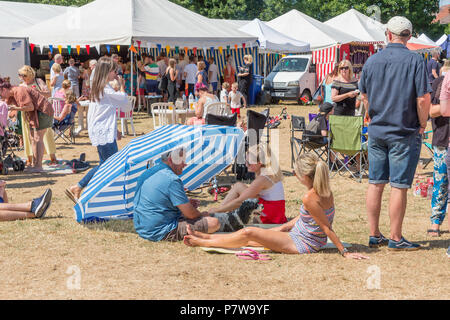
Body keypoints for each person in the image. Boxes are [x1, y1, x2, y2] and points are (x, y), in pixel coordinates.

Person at [184, 152, 369, 260]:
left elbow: (326, 227)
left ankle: (201, 240)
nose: (296, 176)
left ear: (306, 176)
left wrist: (344, 252)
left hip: (302, 243)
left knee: (249, 232)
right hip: (301, 237)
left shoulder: (309, 197)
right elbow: (309, 217)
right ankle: (205, 238)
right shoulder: (325, 191)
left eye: (297, 174)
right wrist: (282, 228)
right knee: (250, 240)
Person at [359, 16, 431, 250]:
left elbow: (364, 96)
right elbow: (422, 99)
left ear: (388, 35)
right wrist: (423, 123)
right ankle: (396, 237)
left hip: (378, 130)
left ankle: (374, 234)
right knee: (399, 185)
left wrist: (371, 116)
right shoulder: (415, 60)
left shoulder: (372, 61)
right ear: (409, 36)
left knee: (375, 183)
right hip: (404, 131)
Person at [65, 57, 131, 203]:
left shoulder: (100, 87)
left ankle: (81, 187)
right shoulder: (105, 89)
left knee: (106, 164)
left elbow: (106, 112)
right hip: (103, 131)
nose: (116, 73)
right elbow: (124, 100)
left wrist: (115, 130)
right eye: (114, 70)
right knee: (111, 165)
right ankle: (81, 187)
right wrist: (121, 85)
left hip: (103, 129)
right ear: (107, 72)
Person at [133, 148, 220, 242]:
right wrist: (202, 215)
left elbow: (157, 200)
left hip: (143, 228)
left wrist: (185, 201)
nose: (184, 164)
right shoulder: (172, 179)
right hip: (160, 231)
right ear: (171, 159)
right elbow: (191, 214)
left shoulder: (147, 172)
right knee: (214, 223)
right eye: (182, 160)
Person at [208, 144, 287, 224]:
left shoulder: (262, 179)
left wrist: (217, 210)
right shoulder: (269, 171)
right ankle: (218, 215)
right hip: (276, 212)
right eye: (245, 161)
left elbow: (240, 201)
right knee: (238, 186)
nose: (246, 165)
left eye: (249, 163)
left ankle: (216, 215)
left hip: (270, 217)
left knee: (239, 192)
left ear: (259, 163)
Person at [0, 77, 54, 173]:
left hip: (43, 112)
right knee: (32, 138)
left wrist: (16, 108)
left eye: (1, 94)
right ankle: (34, 164)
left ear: (4, 89)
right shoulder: (12, 93)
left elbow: (30, 107)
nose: (1, 97)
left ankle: (38, 166)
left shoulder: (19, 91)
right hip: (36, 114)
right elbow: (7, 105)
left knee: (38, 138)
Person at [427, 62, 450, 237]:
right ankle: (435, 222)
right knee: (440, 182)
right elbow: (431, 111)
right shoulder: (440, 83)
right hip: (442, 139)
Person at [18, 65, 58, 166]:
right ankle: (29, 158)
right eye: (20, 75)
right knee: (28, 135)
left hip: (41, 111)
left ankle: (53, 157)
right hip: (27, 113)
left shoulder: (38, 81)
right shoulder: (21, 86)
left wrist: (38, 92)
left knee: (47, 134)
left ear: (29, 74)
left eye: (23, 75)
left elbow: (49, 94)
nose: (21, 77)